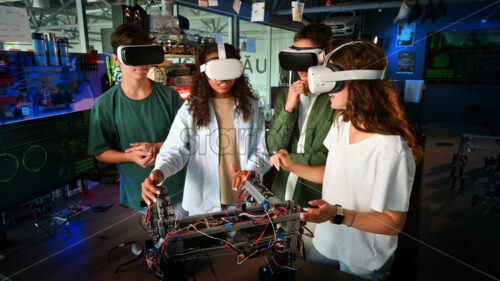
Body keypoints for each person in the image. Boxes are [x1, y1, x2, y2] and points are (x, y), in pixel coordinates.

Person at [271, 40, 423, 281]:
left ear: (358, 83)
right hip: (326, 241)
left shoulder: (390, 147)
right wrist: (292, 166)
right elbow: (331, 172)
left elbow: (393, 223)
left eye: (334, 80)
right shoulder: (342, 122)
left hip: (363, 258)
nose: (326, 88)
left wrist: (337, 214)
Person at [141, 42, 271, 215]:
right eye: (216, 72)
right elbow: (174, 150)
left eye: (228, 71)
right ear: (204, 72)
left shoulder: (251, 107)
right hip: (203, 200)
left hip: (244, 198)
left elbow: (260, 151)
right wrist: (158, 174)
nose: (223, 79)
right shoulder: (191, 109)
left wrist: (250, 170)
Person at [88, 23, 185, 212]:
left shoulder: (170, 97)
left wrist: (158, 147)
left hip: (179, 189)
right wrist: (129, 157)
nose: (142, 64)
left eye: (145, 55)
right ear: (117, 59)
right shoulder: (106, 105)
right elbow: (100, 151)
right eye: (133, 57)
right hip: (139, 193)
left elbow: (188, 139)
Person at [267, 23, 336, 208]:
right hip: (282, 192)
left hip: (316, 196)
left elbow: (332, 158)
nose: (301, 66)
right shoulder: (286, 96)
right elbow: (274, 146)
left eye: (307, 57)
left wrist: (289, 159)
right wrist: (289, 106)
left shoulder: (336, 99)